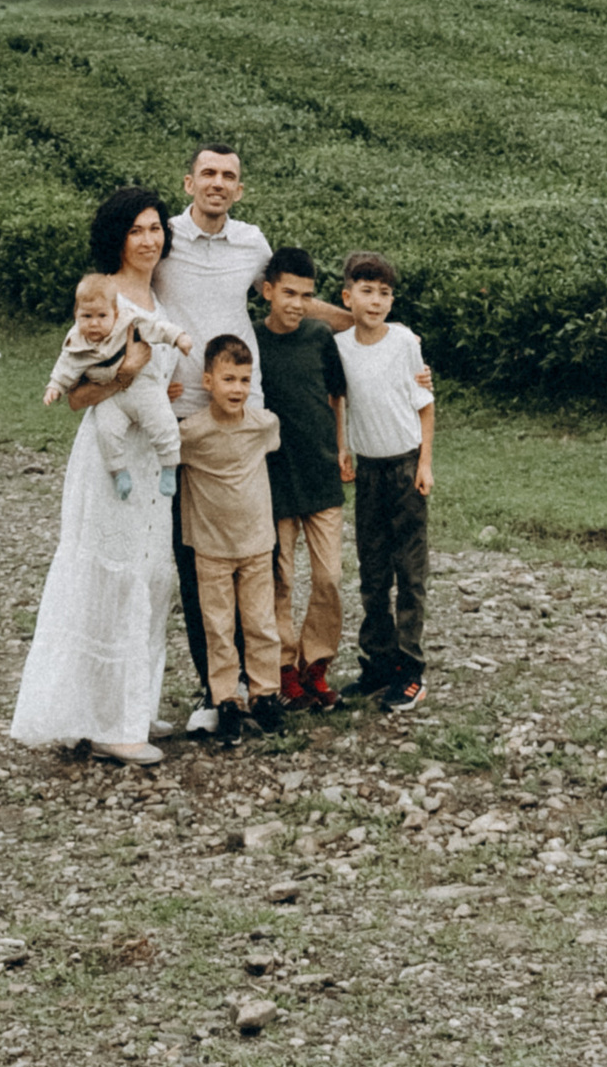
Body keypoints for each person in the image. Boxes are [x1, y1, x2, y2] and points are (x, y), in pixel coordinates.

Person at [161, 143, 350, 737]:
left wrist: (363, 324)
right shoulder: (163, 239)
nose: (218, 183)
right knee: (198, 561)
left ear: (239, 189)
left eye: (229, 176)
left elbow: (289, 298)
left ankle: (262, 681)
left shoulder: (253, 243)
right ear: (189, 182)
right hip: (185, 419)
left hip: (248, 416)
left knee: (258, 558)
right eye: (208, 174)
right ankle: (216, 687)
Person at [9, 183, 183, 766]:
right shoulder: (100, 297)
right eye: (136, 229)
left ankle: (130, 701)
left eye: (155, 227)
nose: (148, 239)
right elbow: (77, 396)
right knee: (107, 573)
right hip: (110, 457)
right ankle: (104, 721)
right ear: (116, 236)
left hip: (152, 457)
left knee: (153, 574)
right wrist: (128, 375)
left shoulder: (161, 299)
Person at [337, 252, 433, 712]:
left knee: (409, 572)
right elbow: (340, 399)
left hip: (405, 464)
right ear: (348, 296)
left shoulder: (404, 342)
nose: (376, 301)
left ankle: (410, 669)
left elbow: (425, 403)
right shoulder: (339, 345)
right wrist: (342, 447)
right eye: (367, 291)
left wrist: (425, 464)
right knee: (372, 573)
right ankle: (377, 662)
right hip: (368, 469)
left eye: (385, 292)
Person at [176, 336, 285, 741]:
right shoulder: (191, 433)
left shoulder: (264, 425)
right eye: (228, 379)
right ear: (208, 381)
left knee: (260, 623)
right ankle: (226, 700)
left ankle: (265, 695)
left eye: (244, 379)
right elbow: (164, 451)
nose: (236, 389)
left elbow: (271, 445)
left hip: (257, 543)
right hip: (211, 548)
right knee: (219, 627)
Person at [253, 247, 348, 709]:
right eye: (288, 292)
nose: (296, 303)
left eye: (306, 295)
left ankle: (318, 662)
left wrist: (342, 447)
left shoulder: (318, 336)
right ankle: (285, 667)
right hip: (275, 477)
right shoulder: (251, 341)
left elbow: (336, 396)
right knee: (281, 580)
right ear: (268, 291)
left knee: (329, 575)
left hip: (322, 472)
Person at [44, 270, 187, 498]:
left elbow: (157, 329)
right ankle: (119, 472)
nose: (94, 324)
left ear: (115, 313)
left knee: (163, 422)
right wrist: (54, 387)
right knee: (107, 431)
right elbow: (65, 367)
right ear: (76, 315)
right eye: (86, 317)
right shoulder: (77, 341)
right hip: (109, 397)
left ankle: (169, 466)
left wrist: (179, 338)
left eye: (102, 316)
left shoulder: (128, 322)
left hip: (141, 387)